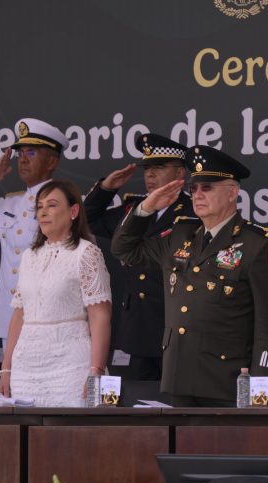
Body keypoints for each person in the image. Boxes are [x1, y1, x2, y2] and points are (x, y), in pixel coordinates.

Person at [111, 146, 268, 407]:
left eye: (208, 188)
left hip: (227, 380)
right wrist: (145, 209)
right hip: (178, 375)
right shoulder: (180, 235)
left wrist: (259, 389)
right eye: (194, 189)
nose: (198, 195)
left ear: (232, 193)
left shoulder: (257, 244)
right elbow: (123, 249)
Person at [85, 132, 194, 380]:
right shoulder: (132, 209)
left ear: (179, 173)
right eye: (146, 169)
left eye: (158, 167)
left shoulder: (193, 211)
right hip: (138, 328)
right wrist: (105, 189)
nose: (150, 175)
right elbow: (86, 221)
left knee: (175, 407)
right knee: (138, 407)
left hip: (175, 325)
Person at [0, 180, 112, 407]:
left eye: (51, 205)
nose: (43, 213)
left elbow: (100, 316)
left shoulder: (86, 253)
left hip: (71, 366)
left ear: (73, 211)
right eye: (39, 207)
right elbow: (19, 314)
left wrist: (96, 371)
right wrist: (6, 368)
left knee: (70, 437)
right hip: (25, 368)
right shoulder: (30, 255)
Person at [0, 118, 69, 342]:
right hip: (9, 316)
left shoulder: (63, 205)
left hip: (47, 316)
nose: (22, 160)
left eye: (31, 153)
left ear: (51, 162)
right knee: (10, 377)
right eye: (20, 154)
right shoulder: (11, 205)